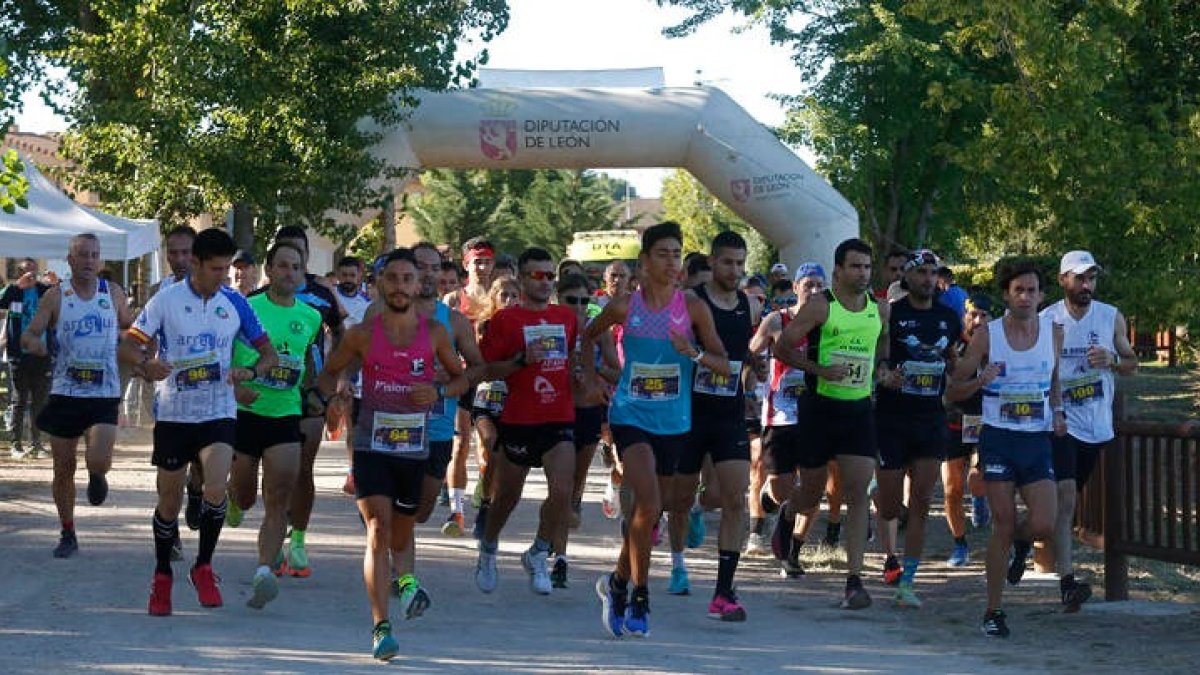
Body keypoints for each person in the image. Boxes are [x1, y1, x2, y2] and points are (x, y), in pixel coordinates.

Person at [314, 248, 467, 660]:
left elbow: (463, 377)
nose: (400, 286)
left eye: (407, 279)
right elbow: (329, 372)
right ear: (380, 284)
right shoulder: (362, 334)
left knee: (403, 530)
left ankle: (406, 580)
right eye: (393, 278)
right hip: (372, 445)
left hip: (413, 448)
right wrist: (337, 393)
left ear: (418, 285)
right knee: (378, 531)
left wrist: (438, 391)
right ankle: (381, 627)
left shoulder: (434, 333)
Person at [121, 227, 279, 617]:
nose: (223, 277)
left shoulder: (235, 302)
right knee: (169, 501)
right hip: (175, 413)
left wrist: (250, 372)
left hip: (218, 410)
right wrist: (146, 365)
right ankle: (162, 575)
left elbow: (269, 355)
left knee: (216, 486)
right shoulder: (166, 300)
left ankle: (203, 566)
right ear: (195, 263)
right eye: (215, 269)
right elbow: (128, 346)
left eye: (227, 269)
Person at [584, 221, 730, 638]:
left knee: (650, 512)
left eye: (676, 254)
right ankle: (640, 596)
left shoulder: (692, 308)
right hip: (630, 415)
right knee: (646, 503)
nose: (671, 262)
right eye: (662, 254)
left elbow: (724, 364)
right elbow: (588, 338)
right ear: (644, 262)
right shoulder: (623, 307)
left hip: (674, 421)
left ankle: (617, 581)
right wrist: (592, 380)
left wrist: (693, 353)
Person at [949, 260, 1064, 638]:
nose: (1026, 297)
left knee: (1044, 523)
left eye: (1032, 291)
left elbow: (1054, 381)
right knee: (1002, 523)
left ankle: (1021, 542)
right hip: (998, 438)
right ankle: (993, 611)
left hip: (1036, 439)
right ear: (1006, 295)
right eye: (1019, 290)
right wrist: (980, 380)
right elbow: (954, 389)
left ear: (1042, 296)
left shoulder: (1053, 332)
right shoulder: (988, 335)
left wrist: (1058, 412)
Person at [772, 238, 889, 610]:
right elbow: (781, 347)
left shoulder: (880, 308)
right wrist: (819, 369)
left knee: (857, 493)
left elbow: (883, 343)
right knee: (811, 492)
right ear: (838, 270)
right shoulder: (821, 306)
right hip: (819, 409)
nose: (863, 273)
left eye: (867, 267)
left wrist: (881, 369)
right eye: (855, 266)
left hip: (858, 410)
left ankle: (854, 582)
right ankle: (788, 513)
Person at [386, 241, 485, 614]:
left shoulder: (454, 321)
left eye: (434, 268)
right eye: (420, 267)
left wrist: (452, 378)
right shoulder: (386, 314)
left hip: (437, 427)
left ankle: (396, 544)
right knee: (400, 504)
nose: (427, 274)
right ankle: (402, 575)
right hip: (394, 424)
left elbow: (478, 368)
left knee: (422, 510)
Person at [20, 235, 133, 557]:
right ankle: (67, 532)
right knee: (63, 466)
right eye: (82, 255)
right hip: (66, 391)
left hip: (104, 391)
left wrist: (141, 349)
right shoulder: (56, 296)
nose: (88, 261)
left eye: (94, 255)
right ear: (70, 260)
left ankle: (97, 475)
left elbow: (132, 328)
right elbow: (30, 333)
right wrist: (34, 344)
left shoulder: (112, 293)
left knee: (98, 459)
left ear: (100, 261)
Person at [224, 241, 322, 608]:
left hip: (285, 413)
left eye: (296, 267)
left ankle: (264, 570)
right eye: (282, 266)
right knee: (246, 494)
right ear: (268, 269)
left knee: (278, 497)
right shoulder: (246, 307)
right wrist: (235, 388)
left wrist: (315, 394)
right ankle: (235, 501)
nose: (289, 273)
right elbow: (223, 352)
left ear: (303, 273)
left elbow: (308, 362)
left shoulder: (311, 317)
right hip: (246, 411)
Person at [668, 230, 760, 620]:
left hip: (728, 413)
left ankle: (723, 591)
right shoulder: (691, 301)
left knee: (735, 499)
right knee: (678, 500)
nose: (735, 271)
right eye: (727, 262)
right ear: (712, 262)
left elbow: (743, 353)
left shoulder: (749, 305)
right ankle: (677, 563)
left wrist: (754, 369)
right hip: (688, 413)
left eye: (740, 263)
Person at [476, 248, 579, 595]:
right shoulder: (506, 320)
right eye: (538, 275)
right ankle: (489, 547)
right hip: (520, 417)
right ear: (521, 279)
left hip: (558, 416)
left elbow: (571, 358)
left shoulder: (565, 317)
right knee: (507, 496)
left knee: (562, 492)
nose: (546, 282)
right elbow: (485, 369)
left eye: (550, 276)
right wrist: (520, 361)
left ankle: (538, 552)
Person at [1041, 250, 1137, 612]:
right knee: (1066, 499)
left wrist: (1112, 361)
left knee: (1057, 508)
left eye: (1091, 278)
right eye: (1080, 278)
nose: (1086, 285)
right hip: (1059, 421)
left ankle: (1021, 539)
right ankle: (1067, 583)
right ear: (1063, 280)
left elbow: (1132, 364)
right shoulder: (1047, 318)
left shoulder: (1110, 316)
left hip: (1095, 425)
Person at [872, 249, 962, 608]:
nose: (928, 279)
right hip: (892, 418)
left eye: (932, 272)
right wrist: (884, 375)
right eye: (921, 272)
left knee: (922, 501)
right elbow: (877, 357)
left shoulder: (948, 317)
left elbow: (952, 359)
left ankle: (907, 582)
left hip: (930, 419)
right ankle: (881, 495)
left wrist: (957, 376)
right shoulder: (891, 313)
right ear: (906, 277)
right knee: (890, 508)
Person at [257, 225, 346, 577]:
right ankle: (274, 531)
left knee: (302, 469)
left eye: (299, 255)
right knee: (275, 472)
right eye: (284, 255)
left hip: (309, 394)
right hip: (269, 395)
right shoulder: (259, 298)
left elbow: (340, 332)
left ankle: (298, 539)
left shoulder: (322, 296)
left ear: (306, 258)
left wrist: (332, 379)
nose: (291, 265)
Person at [747, 265, 825, 567]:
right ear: (795, 287)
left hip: (816, 415)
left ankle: (794, 550)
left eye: (819, 285)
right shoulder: (776, 320)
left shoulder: (828, 321)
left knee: (813, 488)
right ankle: (771, 498)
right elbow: (751, 352)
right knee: (783, 487)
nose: (814, 291)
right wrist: (756, 368)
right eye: (808, 285)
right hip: (780, 415)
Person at [559, 273, 620, 582]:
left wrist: (593, 371)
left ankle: (571, 509)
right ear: (559, 300)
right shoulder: (550, 327)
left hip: (588, 410)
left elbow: (616, 372)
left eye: (585, 301)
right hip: (555, 411)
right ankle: (558, 558)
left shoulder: (597, 331)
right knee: (559, 483)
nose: (580, 306)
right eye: (572, 300)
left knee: (575, 482)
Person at [444, 237, 496, 538]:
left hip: (491, 379)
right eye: (477, 261)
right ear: (466, 264)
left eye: (487, 261)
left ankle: (485, 499)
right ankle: (457, 511)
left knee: (489, 446)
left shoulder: (500, 296)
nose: (482, 267)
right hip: (461, 378)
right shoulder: (453, 299)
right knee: (460, 444)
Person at [942, 294, 994, 567]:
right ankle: (959, 544)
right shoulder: (952, 345)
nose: (978, 320)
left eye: (984, 315)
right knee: (952, 488)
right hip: (953, 420)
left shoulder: (1000, 344)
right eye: (973, 314)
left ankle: (980, 499)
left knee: (980, 478)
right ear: (964, 316)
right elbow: (949, 388)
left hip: (986, 421)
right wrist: (978, 382)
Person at [468, 277, 521, 540]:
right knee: (491, 443)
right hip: (487, 396)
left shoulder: (527, 325)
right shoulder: (485, 325)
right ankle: (486, 503)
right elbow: (482, 360)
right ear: (494, 298)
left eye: (514, 295)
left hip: (515, 399)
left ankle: (488, 500)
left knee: (502, 459)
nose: (509, 301)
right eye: (504, 295)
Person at [1, 257, 51, 458]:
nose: (30, 274)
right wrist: (16, 286)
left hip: (41, 353)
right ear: (19, 273)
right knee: (19, 400)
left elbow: (68, 299)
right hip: (18, 354)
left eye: (33, 270)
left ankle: (37, 443)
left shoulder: (44, 291)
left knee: (39, 401)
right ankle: (16, 444)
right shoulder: (14, 291)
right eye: (25, 270)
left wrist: (57, 284)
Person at [333, 255, 373, 494]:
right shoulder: (331, 297)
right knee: (333, 419)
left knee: (354, 425)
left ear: (359, 277)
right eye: (344, 275)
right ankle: (332, 423)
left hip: (356, 371)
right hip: (330, 366)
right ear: (338, 275)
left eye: (352, 275)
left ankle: (353, 471)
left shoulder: (367, 304)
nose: (348, 279)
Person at [147, 225, 197, 296]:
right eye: (173, 253)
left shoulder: (212, 291)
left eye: (185, 252)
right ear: (167, 256)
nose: (179, 259)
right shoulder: (157, 291)